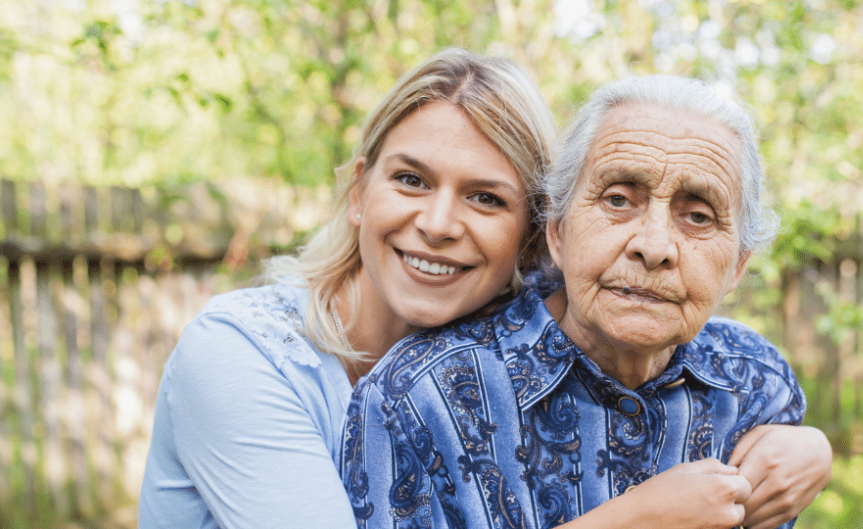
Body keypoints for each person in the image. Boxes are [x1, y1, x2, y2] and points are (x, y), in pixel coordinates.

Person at [138, 48, 828, 529]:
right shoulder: (243, 355)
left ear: (534, 231)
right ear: (358, 191)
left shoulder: (735, 372)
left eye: (485, 198)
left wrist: (809, 444)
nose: (437, 224)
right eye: (410, 178)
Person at [341, 74, 830, 529]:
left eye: (698, 216)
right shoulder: (417, 397)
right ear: (557, 229)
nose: (654, 246)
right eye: (618, 199)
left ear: (739, 265)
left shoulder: (755, 384)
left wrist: (817, 445)